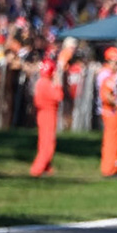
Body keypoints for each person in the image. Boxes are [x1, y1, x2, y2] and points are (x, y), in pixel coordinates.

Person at [27, 40, 70, 177]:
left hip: (42, 114)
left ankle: (46, 166)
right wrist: (57, 83)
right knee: (47, 142)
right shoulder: (47, 84)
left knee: (43, 140)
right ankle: (37, 168)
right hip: (48, 113)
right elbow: (59, 96)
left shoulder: (40, 82)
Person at [97, 46, 117, 176]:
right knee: (110, 141)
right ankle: (108, 168)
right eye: (115, 62)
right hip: (109, 111)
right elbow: (106, 95)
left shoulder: (109, 74)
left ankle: (113, 166)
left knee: (114, 140)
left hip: (111, 111)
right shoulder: (105, 75)